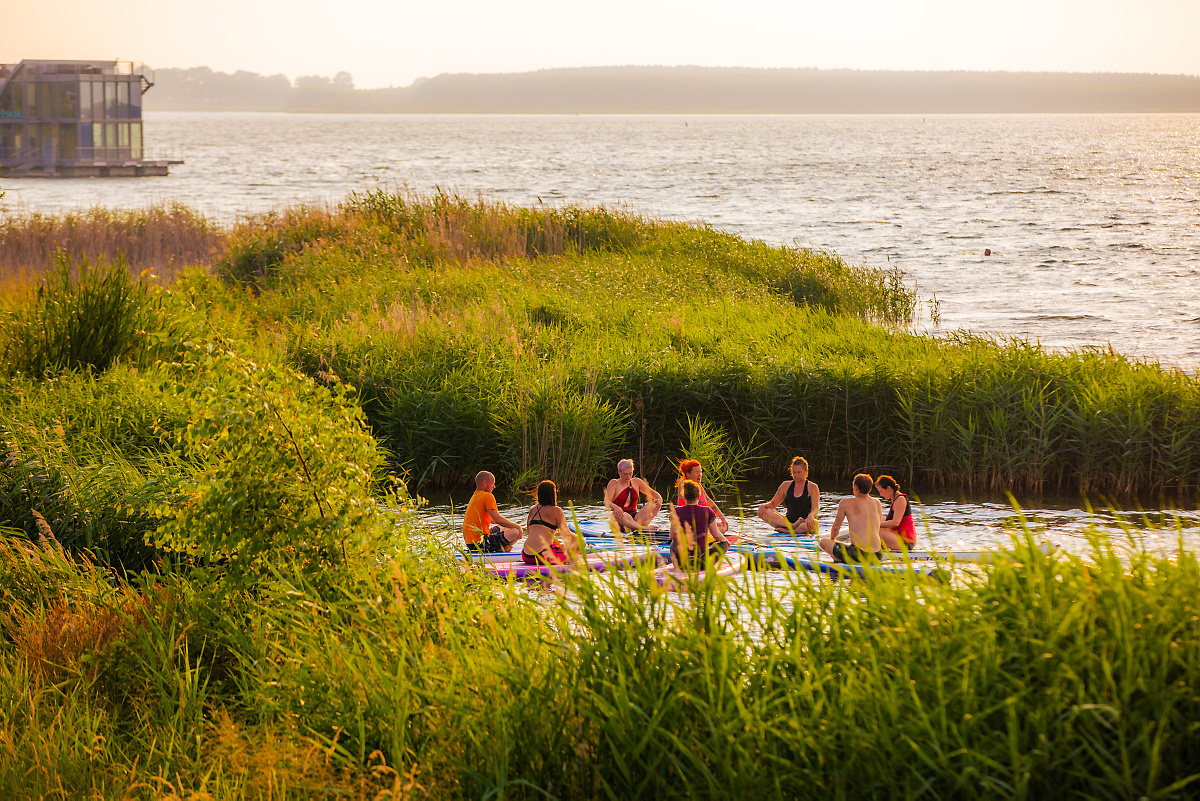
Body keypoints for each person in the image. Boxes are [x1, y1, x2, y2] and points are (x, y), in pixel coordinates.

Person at [820, 473, 884, 564]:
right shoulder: (877, 502)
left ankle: (839, 558)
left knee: (823, 541)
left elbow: (835, 528)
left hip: (859, 554)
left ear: (856, 488)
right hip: (878, 554)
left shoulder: (846, 502)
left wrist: (832, 541)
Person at [670, 479, 730, 569]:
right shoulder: (707, 511)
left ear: (684, 497)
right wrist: (726, 542)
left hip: (680, 562)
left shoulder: (676, 511)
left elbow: (672, 535)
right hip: (701, 563)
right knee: (723, 543)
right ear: (699, 496)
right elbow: (716, 535)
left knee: (673, 543)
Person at [462, 471, 523, 553]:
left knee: (505, 527)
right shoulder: (488, 495)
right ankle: (502, 548)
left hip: (471, 543)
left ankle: (501, 548)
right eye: (492, 484)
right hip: (479, 543)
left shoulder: (475, 495)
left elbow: (493, 520)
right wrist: (518, 526)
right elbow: (498, 520)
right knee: (516, 531)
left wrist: (510, 525)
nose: (494, 487)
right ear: (484, 483)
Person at [757, 456, 820, 535]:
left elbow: (815, 508)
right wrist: (763, 506)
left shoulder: (812, 487)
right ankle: (792, 527)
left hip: (804, 522)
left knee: (813, 524)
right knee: (766, 511)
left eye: (799, 472)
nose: (796, 475)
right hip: (788, 522)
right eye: (794, 472)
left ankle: (790, 531)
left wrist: (810, 516)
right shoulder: (785, 485)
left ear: (806, 472)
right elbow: (773, 504)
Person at [521, 480, 577, 566]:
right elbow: (567, 535)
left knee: (559, 545)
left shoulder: (532, 509)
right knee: (578, 544)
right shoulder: (557, 510)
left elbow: (531, 533)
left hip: (526, 555)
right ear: (553, 494)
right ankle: (570, 563)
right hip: (543, 557)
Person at [603, 458, 663, 532]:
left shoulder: (637, 482)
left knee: (655, 503)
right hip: (621, 518)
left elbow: (653, 493)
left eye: (630, 473)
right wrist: (615, 507)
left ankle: (634, 527)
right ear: (619, 472)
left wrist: (659, 499)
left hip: (636, 518)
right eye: (625, 474)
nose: (628, 477)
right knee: (620, 514)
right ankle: (642, 528)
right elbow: (606, 501)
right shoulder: (614, 483)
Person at [674, 459, 730, 535]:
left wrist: (722, 518)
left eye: (700, 472)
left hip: (701, 523)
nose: (700, 475)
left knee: (722, 525)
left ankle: (711, 533)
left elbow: (708, 500)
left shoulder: (698, 484)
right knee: (720, 529)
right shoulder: (684, 484)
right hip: (689, 525)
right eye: (696, 472)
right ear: (688, 474)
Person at [875, 475, 917, 551]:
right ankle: (881, 547)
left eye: (881, 491)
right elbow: (892, 517)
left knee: (874, 529)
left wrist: (875, 525)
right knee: (881, 518)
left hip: (906, 542)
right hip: (899, 537)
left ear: (888, 488)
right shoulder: (895, 499)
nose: (880, 494)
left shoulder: (900, 499)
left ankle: (872, 549)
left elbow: (896, 522)